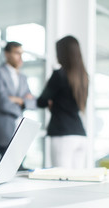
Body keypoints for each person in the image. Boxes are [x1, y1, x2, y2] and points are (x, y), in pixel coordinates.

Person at [37, 35, 89, 168]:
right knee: (78, 181)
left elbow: (41, 101)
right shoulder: (84, 77)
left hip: (62, 134)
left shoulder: (59, 74)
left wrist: (51, 103)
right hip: (80, 135)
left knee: (61, 180)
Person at [0, 41, 36, 157]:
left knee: (17, 168)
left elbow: (34, 102)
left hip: (19, 131)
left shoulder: (23, 77)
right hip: (1, 131)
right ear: (7, 54)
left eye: (22, 53)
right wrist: (23, 102)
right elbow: (2, 102)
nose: (21, 57)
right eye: (17, 53)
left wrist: (19, 100)